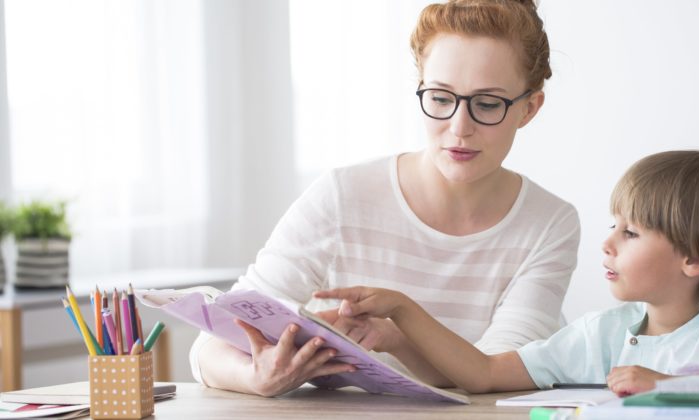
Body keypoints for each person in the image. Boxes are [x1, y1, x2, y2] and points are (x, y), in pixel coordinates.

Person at [191, 0, 581, 397]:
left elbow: (497, 372)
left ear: (529, 108)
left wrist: (398, 335)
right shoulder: (344, 196)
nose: (460, 128)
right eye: (442, 98)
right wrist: (257, 377)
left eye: (487, 104)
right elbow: (212, 344)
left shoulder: (549, 223)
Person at [316, 150, 699, 397]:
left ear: (694, 258)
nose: (607, 242)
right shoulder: (601, 334)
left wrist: (667, 384)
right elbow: (483, 374)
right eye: (613, 225)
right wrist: (400, 326)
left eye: (631, 233)